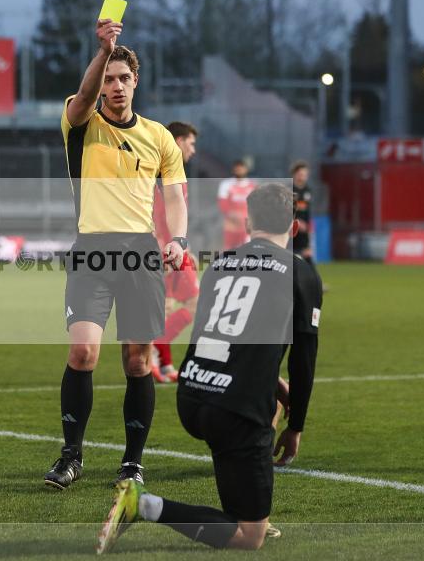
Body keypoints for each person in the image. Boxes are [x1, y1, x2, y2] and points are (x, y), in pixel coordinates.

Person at [97, 183, 323, 552]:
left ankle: (247, 503)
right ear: (295, 228)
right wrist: (296, 426)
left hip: (192, 394)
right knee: (250, 537)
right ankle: (143, 504)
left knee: (263, 403)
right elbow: (303, 359)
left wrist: (274, 384)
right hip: (234, 410)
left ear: (247, 224)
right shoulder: (299, 272)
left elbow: (216, 337)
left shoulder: (221, 263)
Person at [43, 18, 188, 490]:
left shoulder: (160, 137)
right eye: (109, 78)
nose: (116, 86)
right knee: (82, 351)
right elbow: (83, 95)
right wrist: (104, 50)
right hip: (91, 251)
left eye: (124, 77)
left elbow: (176, 197)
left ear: (136, 81)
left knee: (138, 363)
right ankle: (71, 456)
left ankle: (132, 462)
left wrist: (179, 239)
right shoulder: (81, 122)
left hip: (141, 253)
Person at [150, 121, 199, 383]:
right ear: (178, 142)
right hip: (166, 251)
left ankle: (162, 361)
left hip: (176, 248)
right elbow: (154, 214)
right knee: (179, 305)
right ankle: (151, 357)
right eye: (191, 143)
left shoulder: (174, 171)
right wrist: (160, 250)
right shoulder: (161, 172)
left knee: (170, 306)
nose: (193, 150)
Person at [217, 159, 256, 250]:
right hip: (231, 226)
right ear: (233, 170)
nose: (239, 171)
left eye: (241, 168)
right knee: (229, 251)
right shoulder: (226, 184)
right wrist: (233, 215)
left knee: (246, 250)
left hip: (246, 227)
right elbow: (222, 204)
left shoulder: (252, 186)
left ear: (246, 169)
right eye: (237, 169)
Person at [291, 161, 314, 264]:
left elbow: (307, 212)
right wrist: (296, 221)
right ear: (294, 174)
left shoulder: (307, 190)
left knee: (307, 260)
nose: (303, 177)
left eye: (305, 175)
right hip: (291, 232)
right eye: (301, 174)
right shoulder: (288, 190)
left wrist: (309, 226)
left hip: (303, 233)